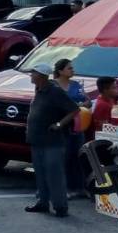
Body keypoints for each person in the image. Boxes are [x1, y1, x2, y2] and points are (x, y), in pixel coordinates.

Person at [25, 62, 80, 218]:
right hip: (37, 139)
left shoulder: (55, 91)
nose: (31, 75)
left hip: (52, 141)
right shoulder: (40, 89)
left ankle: (60, 206)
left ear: (41, 76)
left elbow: (74, 109)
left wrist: (59, 124)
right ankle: (43, 202)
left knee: (54, 174)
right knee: (40, 173)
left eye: (33, 73)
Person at [53, 57, 91, 196]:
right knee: (64, 157)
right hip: (62, 124)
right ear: (60, 71)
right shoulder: (53, 85)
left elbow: (87, 101)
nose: (72, 70)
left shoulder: (75, 85)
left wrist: (83, 105)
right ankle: (63, 188)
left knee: (78, 155)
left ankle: (79, 187)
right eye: (69, 68)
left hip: (77, 124)